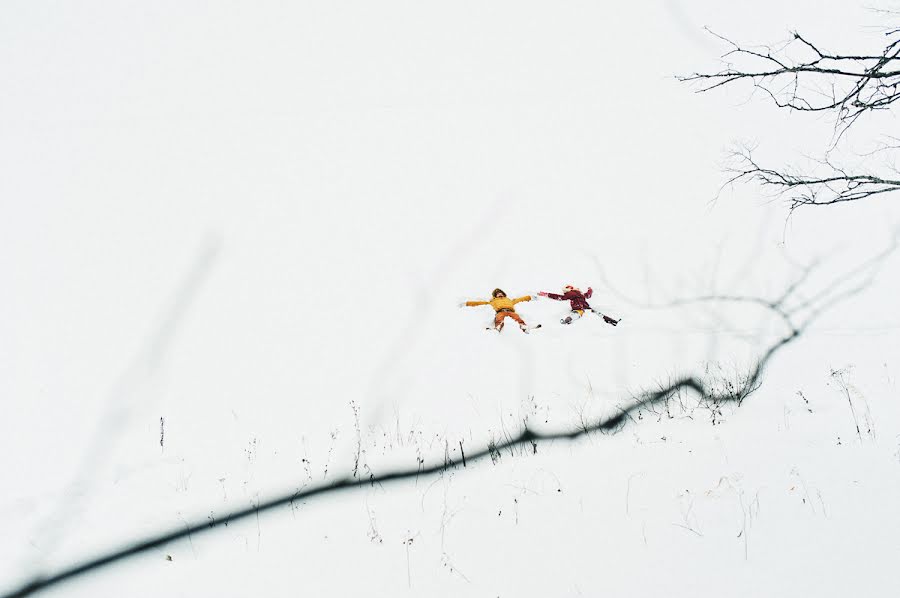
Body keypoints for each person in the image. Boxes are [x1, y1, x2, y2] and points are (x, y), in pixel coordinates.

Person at [462, 288, 538, 333]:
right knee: (499, 317)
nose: (500, 294)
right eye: (498, 294)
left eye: (501, 293)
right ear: (495, 295)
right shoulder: (493, 301)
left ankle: (523, 326)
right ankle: (498, 327)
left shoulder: (509, 300)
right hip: (500, 311)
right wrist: (467, 303)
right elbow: (479, 303)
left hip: (510, 311)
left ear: (503, 294)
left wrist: (529, 297)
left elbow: (519, 299)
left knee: (517, 317)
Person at [538, 285, 620, 326]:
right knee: (598, 314)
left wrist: (546, 294)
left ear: (568, 290)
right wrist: (590, 290)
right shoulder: (580, 294)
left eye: (565, 291)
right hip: (587, 307)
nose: (564, 293)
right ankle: (612, 321)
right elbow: (588, 295)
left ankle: (568, 320)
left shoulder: (571, 293)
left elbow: (560, 297)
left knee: (577, 314)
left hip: (579, 308)